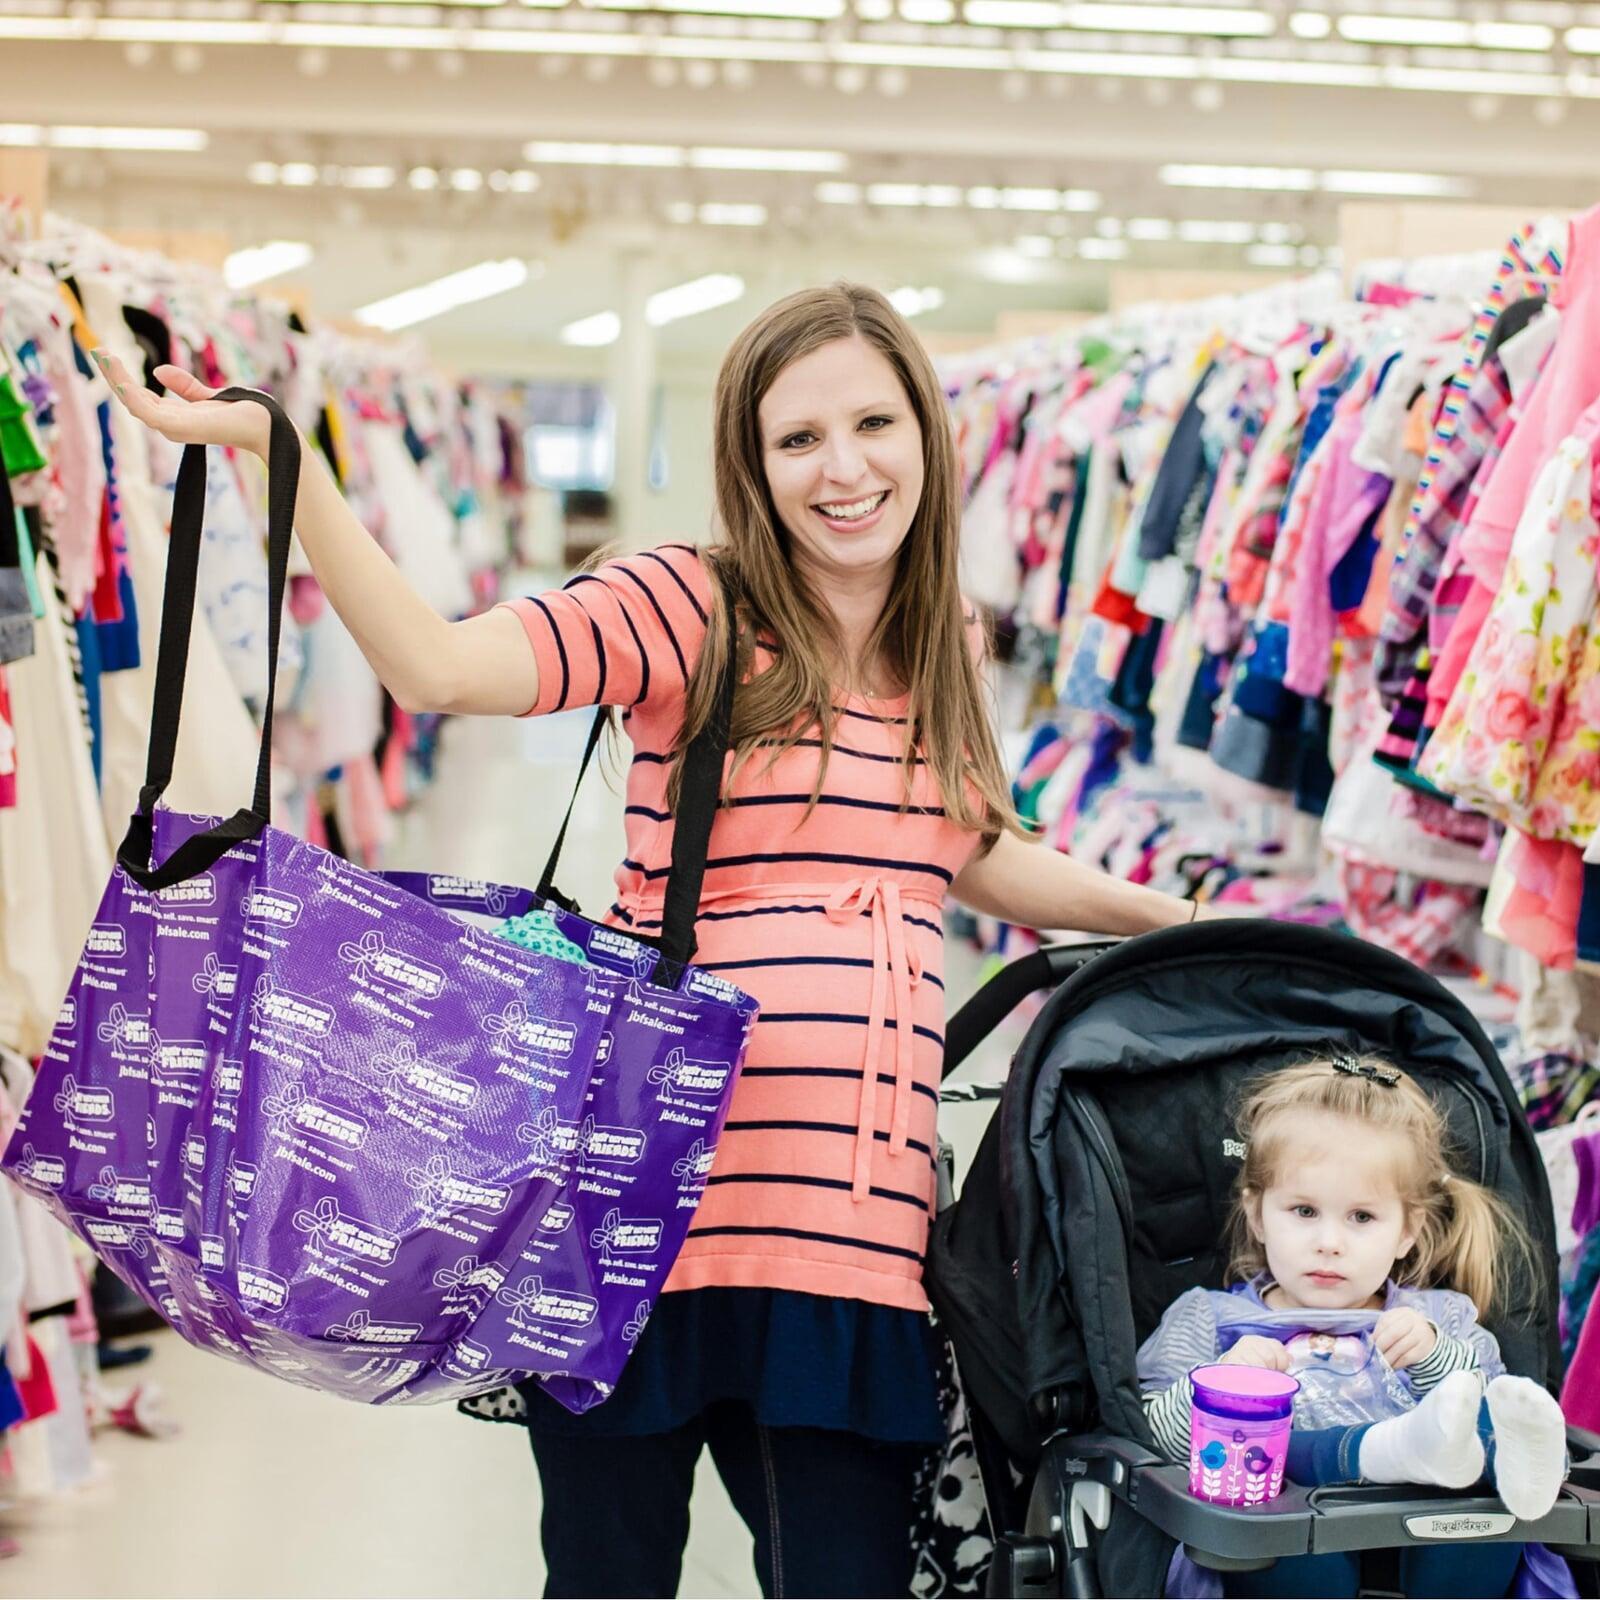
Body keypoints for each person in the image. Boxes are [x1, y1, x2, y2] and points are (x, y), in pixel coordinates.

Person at [99, 281, 1204, 1598]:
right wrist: (284, 456)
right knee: (610, 1578)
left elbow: (963, 842)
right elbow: (443, 673)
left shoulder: (938, 645)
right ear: (749, 459)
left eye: (873, 424)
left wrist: (1174, 920)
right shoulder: (688, 602)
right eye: (799, 439)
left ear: (927, 435)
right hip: (633, 1214)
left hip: (854, 1233)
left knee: (842, 1580)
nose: (844, 469)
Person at [1138, 1055, 1571, 1599]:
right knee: (1273, 1511)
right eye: (1303, 1211)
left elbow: (1487, 1403)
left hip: (1436, 1547)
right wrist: (1221, 1386)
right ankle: (1395, 1448)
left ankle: (1527, 1467)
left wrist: (1433, 1356)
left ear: (1407, 1232)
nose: (1330, 1242)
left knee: (1487, 1458)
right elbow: (1151, 1445)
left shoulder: (1440, 1317)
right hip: (1296, 1549)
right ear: (1257, 1216)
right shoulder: (1208, 1319)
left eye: (1362, 1218)